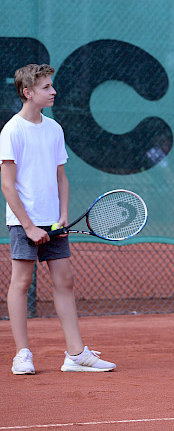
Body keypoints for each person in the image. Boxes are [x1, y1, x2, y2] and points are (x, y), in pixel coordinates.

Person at [1, 64, 116, 374]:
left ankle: (76, 355)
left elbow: (61, 177)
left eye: (52, 86)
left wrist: (63, 216)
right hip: (24, 222)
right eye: (46, 87)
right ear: (28, 92)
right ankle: (22, 354)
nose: (53, 91)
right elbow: (7, 185)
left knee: (65, 281)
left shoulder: (54, 128)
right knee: (22, 282)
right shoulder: (12, 130)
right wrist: (28, 225)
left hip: (54, 221)